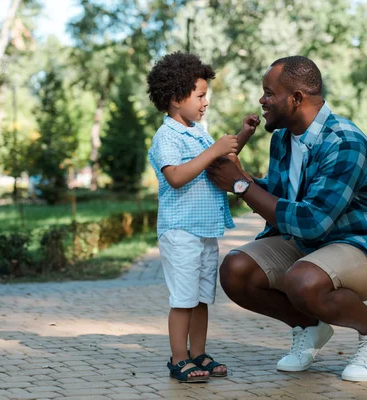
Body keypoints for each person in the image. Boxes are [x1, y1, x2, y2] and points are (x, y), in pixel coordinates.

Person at [206, 56, 367, 382]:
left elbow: (312, 220)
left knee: (303, 281)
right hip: (308, 246)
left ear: (296, 98)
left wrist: (241, 186)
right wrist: (242, 178)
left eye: (269, 93)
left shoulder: (344, 142)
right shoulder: (283, 139)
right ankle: (310, 328)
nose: (262, 100)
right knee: (235, 271)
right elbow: (283, 195)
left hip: (363, 246)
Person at [146, 52, 260, 383]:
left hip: (205, 230)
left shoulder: (197, 132)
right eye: (199, 95)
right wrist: (211, 151)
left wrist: (244, 133)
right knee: (183, 299)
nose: (205, 102)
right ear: (175, 98)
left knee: (200, 298)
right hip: (180, 230)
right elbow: (176, 176)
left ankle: (198, 353)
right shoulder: (166, 136)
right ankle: (178, 358)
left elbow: (224, 156)